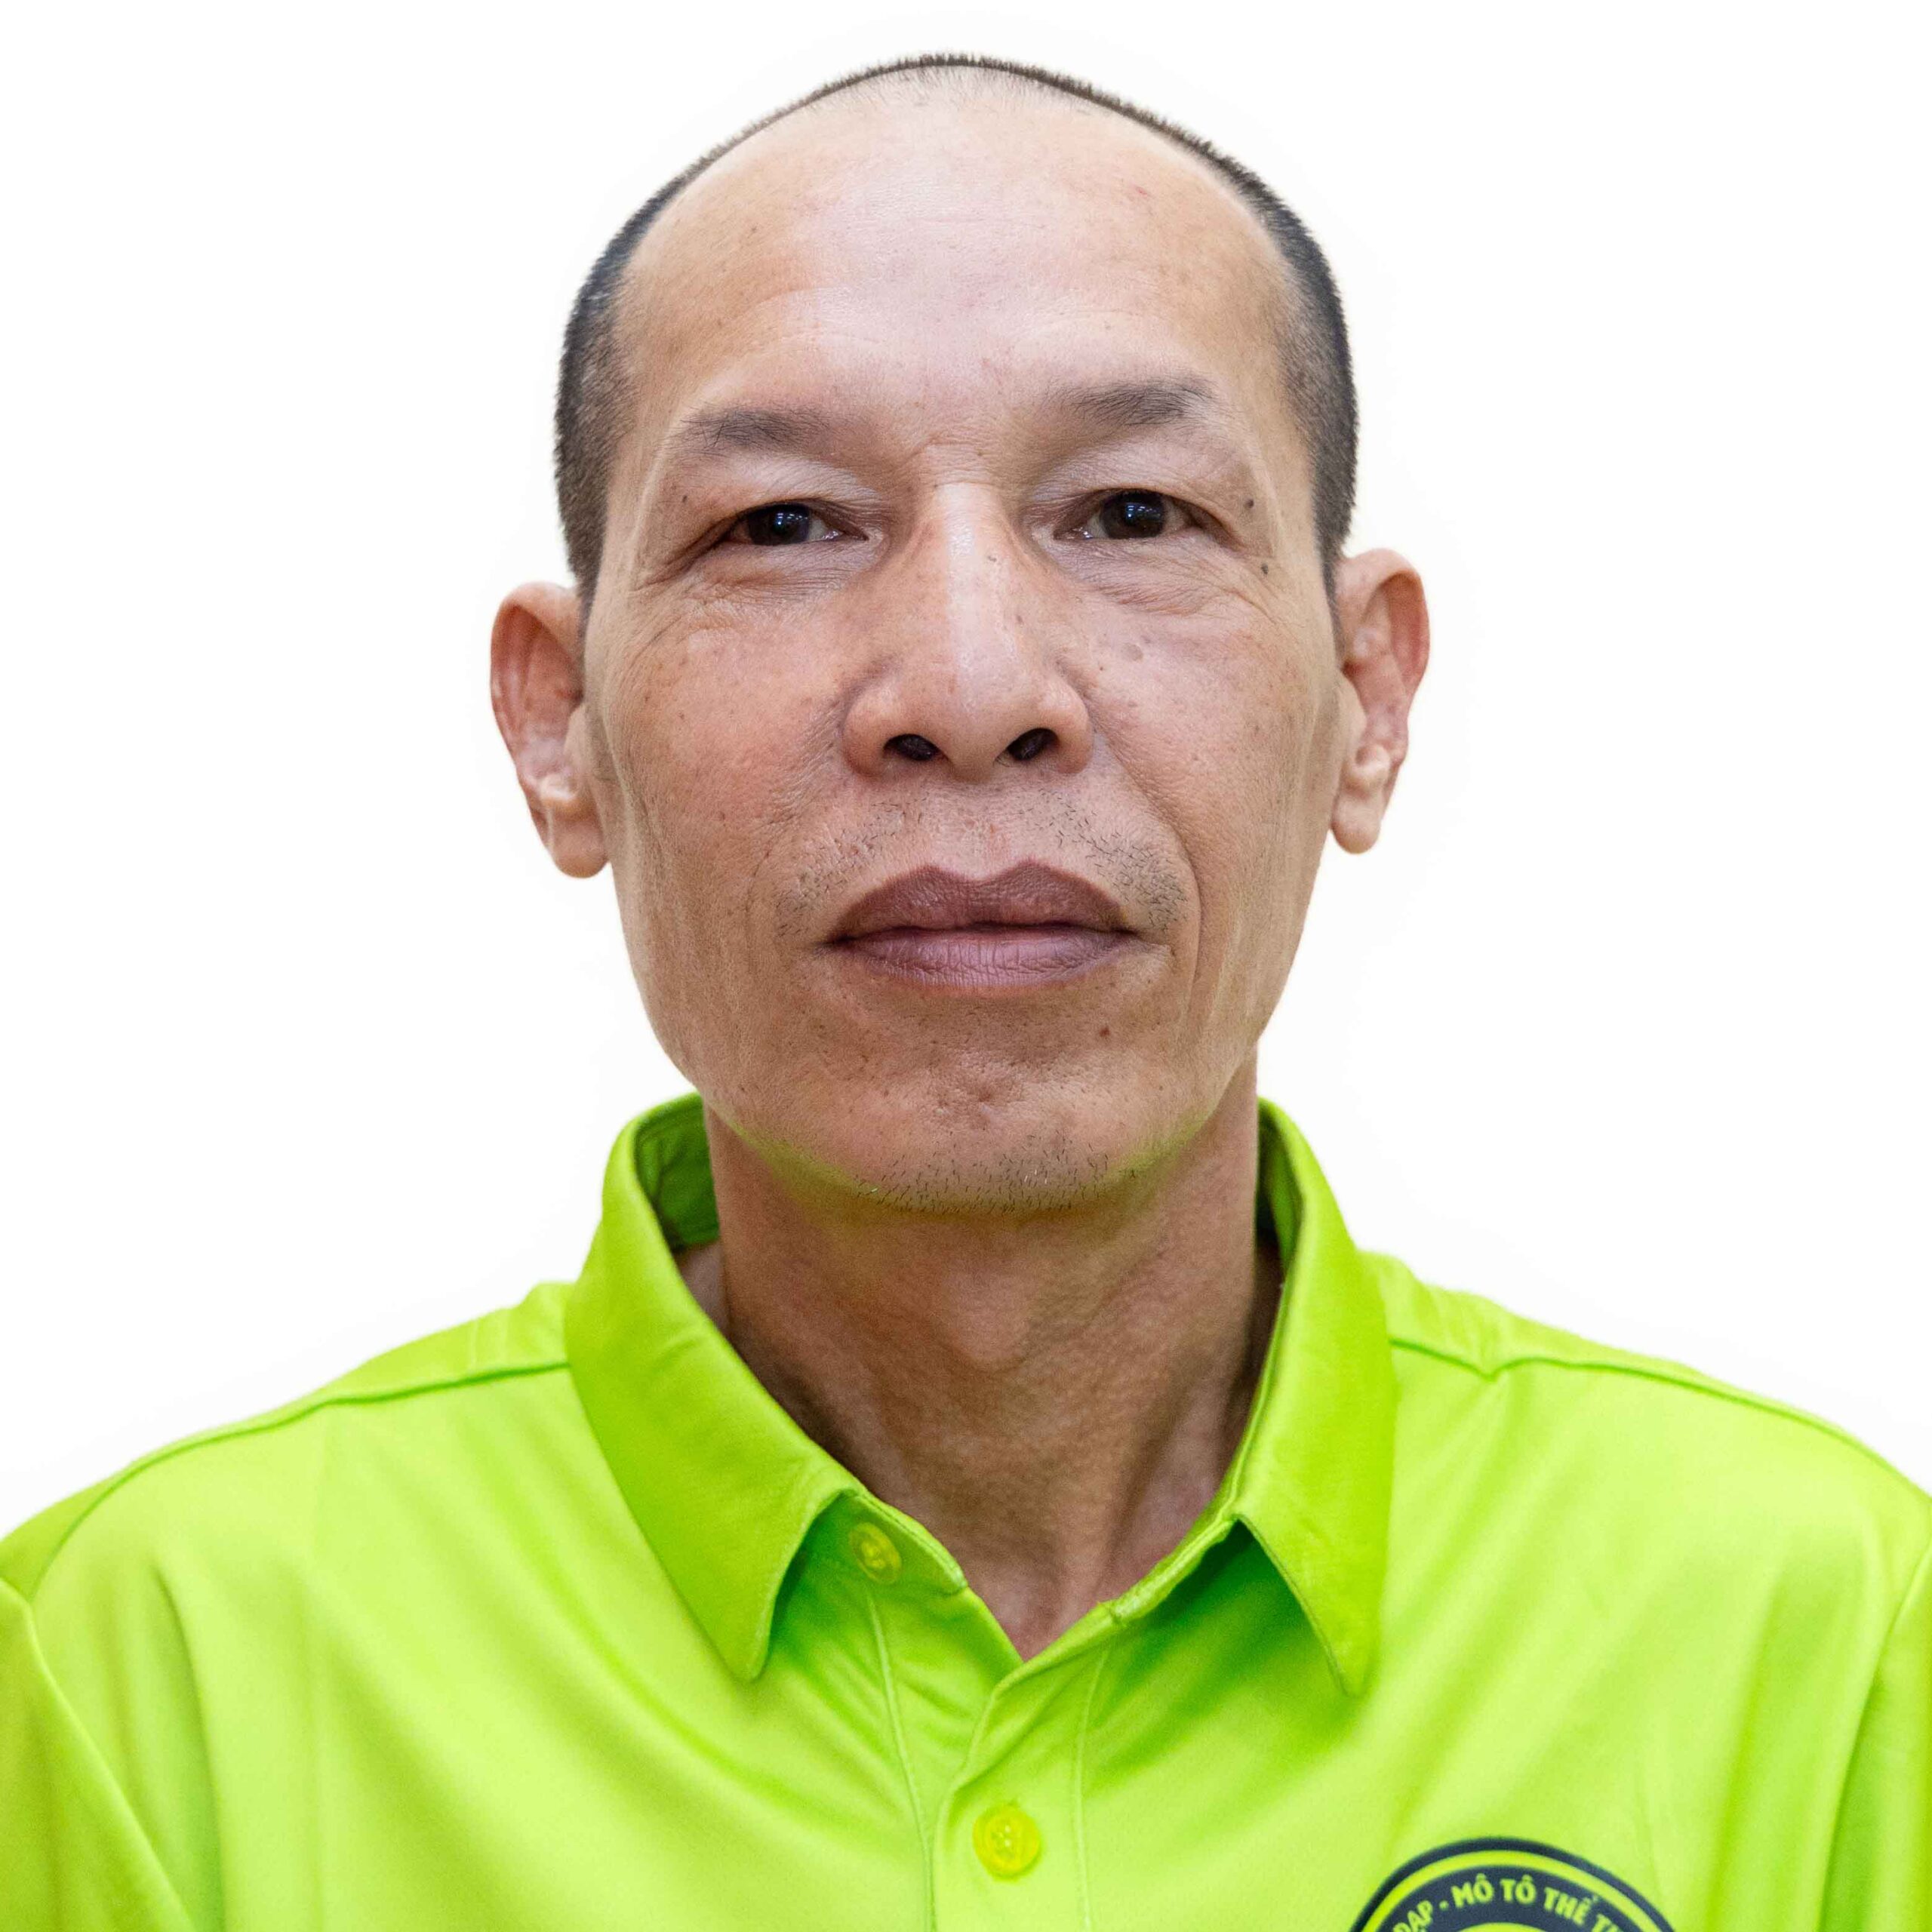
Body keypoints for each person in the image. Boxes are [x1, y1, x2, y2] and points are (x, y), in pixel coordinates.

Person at [3, 50, 1925, 1930]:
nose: (970, 684)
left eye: (1132, 514)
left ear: (1367, 696)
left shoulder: (1824, 1638)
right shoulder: (142, 1672)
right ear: (554, 724)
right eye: (780, 525)